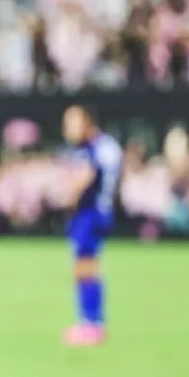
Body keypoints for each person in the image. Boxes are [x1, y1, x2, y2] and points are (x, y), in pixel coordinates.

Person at [61, 105, 122, 347]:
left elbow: (87, 176)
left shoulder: (94, 148)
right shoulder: (103, 146)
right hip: (96, 211)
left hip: (91, 212)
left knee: (86, 266)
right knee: (84, 266)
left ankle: (91, 324)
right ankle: (89, 322)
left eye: (71, 122)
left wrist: (69, 195)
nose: (67, 128)